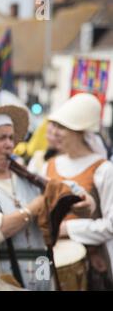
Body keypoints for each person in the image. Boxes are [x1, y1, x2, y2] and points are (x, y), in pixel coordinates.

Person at [0, 101, 94, 291]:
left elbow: (70, 191)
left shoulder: (28, 179)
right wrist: (35, 206)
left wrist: (84, 202)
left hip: (41, 273)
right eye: (1, 138)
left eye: (11, 138)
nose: (9, 144)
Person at [45, 93, 113, 290]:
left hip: (88, 262)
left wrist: (67, 229)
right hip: (47, 257)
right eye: (55, 126)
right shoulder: (47, 165)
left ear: (80, 132)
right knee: (39, 284)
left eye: (63, 127)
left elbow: (110, 224)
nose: (55, 132)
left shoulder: (103, 169)